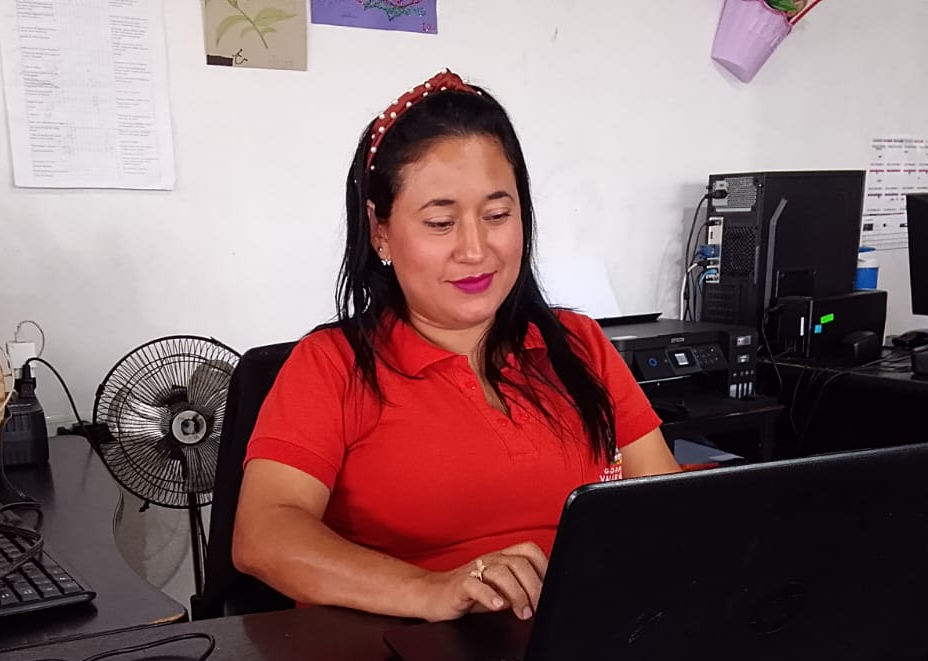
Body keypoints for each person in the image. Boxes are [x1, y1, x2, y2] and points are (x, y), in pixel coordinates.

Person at [233, 69, 679, 623]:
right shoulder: (332, 365)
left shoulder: (578, 344)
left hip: (582, 640)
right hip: (399, 653)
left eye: (497, 215)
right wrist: (429, 590)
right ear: (380, 229)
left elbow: (667, 505)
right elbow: (264, 534)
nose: (475, 249)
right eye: (441, 222)